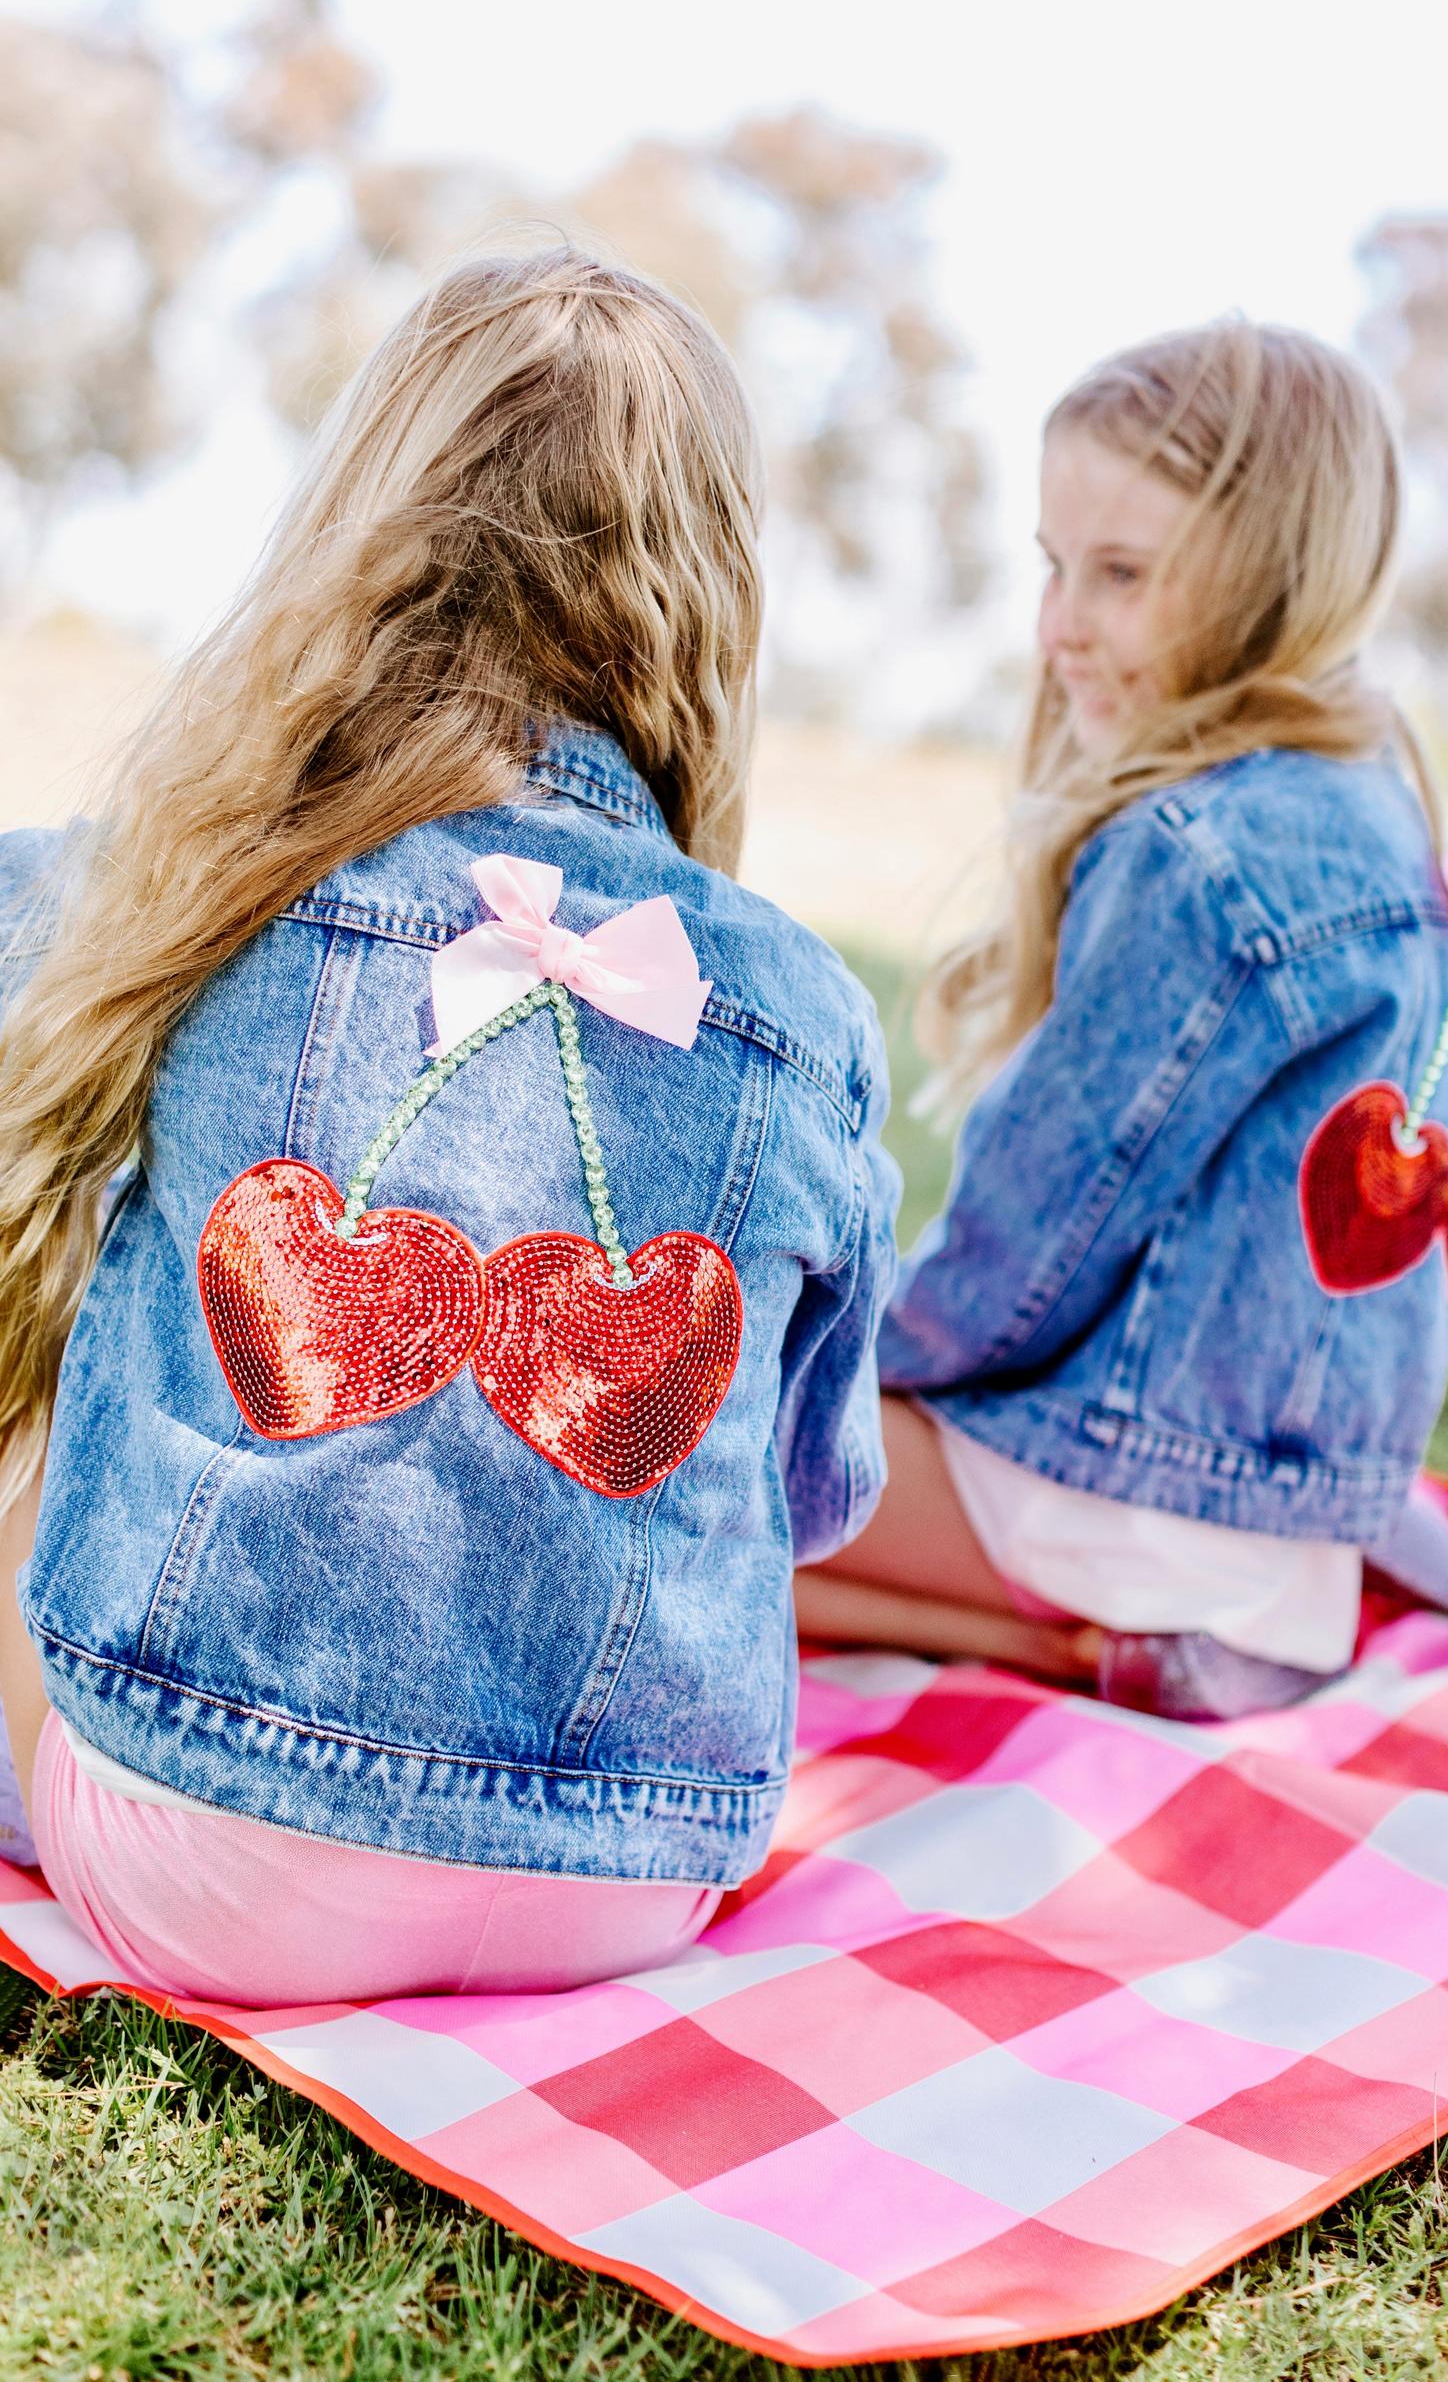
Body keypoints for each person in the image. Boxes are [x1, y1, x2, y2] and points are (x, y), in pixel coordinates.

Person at [0, 249, 899, 2004]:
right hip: (636, 1873)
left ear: (365, 527)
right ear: (712, 593)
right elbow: (810, 1492)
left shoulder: (198, 875)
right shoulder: (804, 1009)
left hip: (210, 1849)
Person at [795, 319, 1448, 1719]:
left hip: (1133, 1502)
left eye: (1120, 575)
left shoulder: (1207, 856)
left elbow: (1025, 1257)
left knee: (665, 1466)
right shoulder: (1397, 824)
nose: (1061, 624)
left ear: (1270, 580)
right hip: (1293, 1514)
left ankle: (1084, 1635)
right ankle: (1105, 1642)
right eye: (1055, 567)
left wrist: (825, 1374)